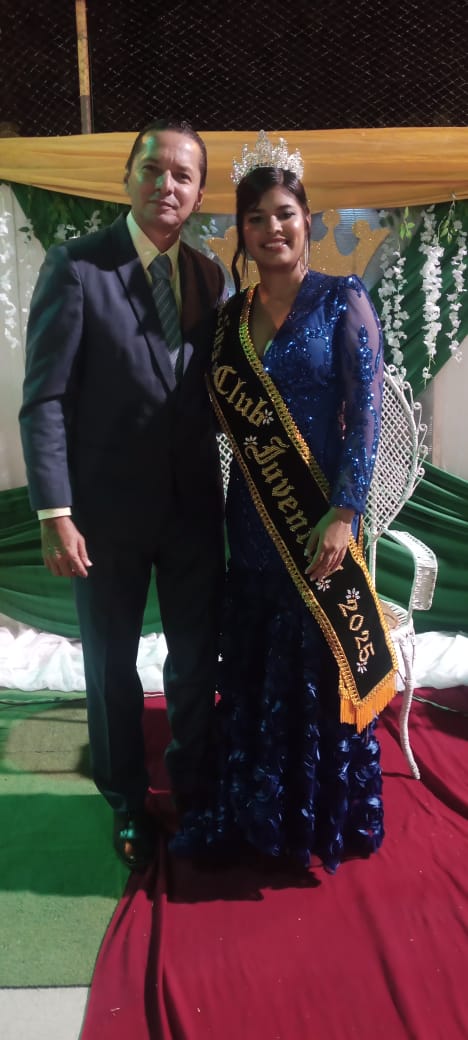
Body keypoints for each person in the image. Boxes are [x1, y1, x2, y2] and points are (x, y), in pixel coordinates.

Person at [171, 132, 397, 874]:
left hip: (320, 517)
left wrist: (345, 513)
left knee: (314, 660)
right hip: (252, 518)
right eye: (256, 218)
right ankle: (255, 812)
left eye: (284, 213)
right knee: (256, 661)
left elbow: (366, 418)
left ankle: (315, 818)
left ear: (307, 219)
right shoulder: (229, 322)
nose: (272, 228)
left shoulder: (342, 299)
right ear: (241, 231)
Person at [19, 118, 226, 872]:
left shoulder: (212, 278)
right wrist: (55, 512)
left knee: (196, 659)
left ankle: (194, 786)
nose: (167, 184)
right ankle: (127, 799)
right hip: (103, 517)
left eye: (183, 175)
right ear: (128, 176)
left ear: (198, 193)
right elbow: (45, 400)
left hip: (194, 512)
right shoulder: (78, 267)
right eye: (153, 169)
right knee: (111, 665)